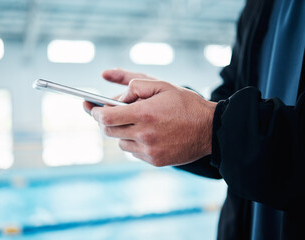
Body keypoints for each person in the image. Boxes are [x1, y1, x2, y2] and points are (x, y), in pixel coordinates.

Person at [83, 0, 305, 239]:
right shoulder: (257, 7)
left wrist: (209, 128)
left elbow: (220, 124)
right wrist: (175, 116)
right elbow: (226, 105)